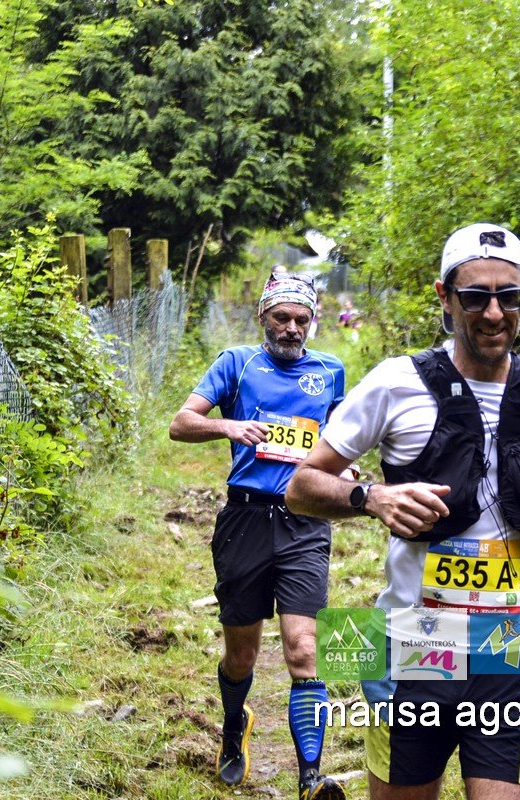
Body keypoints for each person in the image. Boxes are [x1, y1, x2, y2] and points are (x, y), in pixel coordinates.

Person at [286, 223, 520, 800]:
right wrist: (373, 498)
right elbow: (301, 486)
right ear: (445, 298)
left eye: (509, 296)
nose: (494, 313)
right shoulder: (396, 383)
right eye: (475, 297)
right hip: (414, 643)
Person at [169, 272, 348, 800]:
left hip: (305, 521)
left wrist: (347, 472)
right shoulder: (237, 363)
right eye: (282, 318)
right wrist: (228, 426)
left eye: (301, 320)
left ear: (312, 322)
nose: (291, 328)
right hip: (245, 520)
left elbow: (342, 442)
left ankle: (311, 779)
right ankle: (234, 723)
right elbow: (180, 423)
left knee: (304, 649)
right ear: (263, 317)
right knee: (241, 656)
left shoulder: (331, 371)